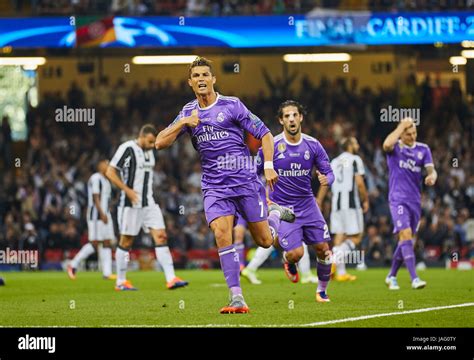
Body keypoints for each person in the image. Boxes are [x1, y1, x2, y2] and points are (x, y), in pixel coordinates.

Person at [155, 57, 295, 313]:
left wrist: (268, 165)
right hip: (214, 186)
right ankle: (236, 297)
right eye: (196, 76)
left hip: (245, 181)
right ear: (190, 82)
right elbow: (159, 142)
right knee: (222, 233)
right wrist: (184, 123)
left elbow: (264, 133)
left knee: (265, 241)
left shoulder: (232, 105)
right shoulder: (187, 112)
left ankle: (274, 215)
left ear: (213, 79)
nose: (201, 79)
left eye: (205, 75)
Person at [255, 100, 335, 302]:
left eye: (294, 115)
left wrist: (328, 179)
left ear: (301, 117)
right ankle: (287, 261)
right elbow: (253, 173)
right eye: (287, 116)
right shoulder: (271, 145)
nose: (291, 119)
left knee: (324, 250)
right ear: (281, 120)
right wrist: (262, 197)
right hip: (282, 209)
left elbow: (329, 171)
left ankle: (322, 291)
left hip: (308, 204)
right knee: (296, 253)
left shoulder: (313, 144)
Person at [106, 124, 188, 291]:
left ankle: (171, 279)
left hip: (149, 203)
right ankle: (120, 281)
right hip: (130, 204)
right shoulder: (127, 148)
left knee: (161, 236)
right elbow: (110, 172)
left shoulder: (150, 152)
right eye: (150, 141)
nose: (152, 145)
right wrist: (127, 190)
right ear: (141, 136)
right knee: (126, 241)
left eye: (153, 142)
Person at [383, 118, 437, 290]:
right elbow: (386, 144)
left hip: (415, 200)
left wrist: (432, 177)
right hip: (398, 198)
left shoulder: (423, 149)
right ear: (401, 134)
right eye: (408, 134)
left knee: (406, 240)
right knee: (405, 235)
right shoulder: (395, 148)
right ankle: (414, 278)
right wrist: (401, 126)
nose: (412, 136)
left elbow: (431, 170)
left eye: (414, 133)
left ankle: (391, 276)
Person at [317, 137, 369, 282]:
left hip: (336, 205)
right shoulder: (354, 159)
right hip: (351, 205)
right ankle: (333, 260)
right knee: (357, 236)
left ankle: (341, 272)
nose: (358, 145)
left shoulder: (334, 162)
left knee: (339, 238)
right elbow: (359, 184)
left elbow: (325, 183)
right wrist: (365, 200)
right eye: (356, 142)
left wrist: (319, 200)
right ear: (350, 146)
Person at [68, 160, 116, 280]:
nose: (108, 165)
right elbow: (95, 197)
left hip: (105, 215)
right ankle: (73, 264)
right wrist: (101, 213)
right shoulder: (96, 178)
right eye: (106, 164)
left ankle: (107, 273)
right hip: (96, 216)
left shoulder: (106, 180)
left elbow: (106, 199)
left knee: (107, 242)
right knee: (94, 243)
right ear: (100, 166)